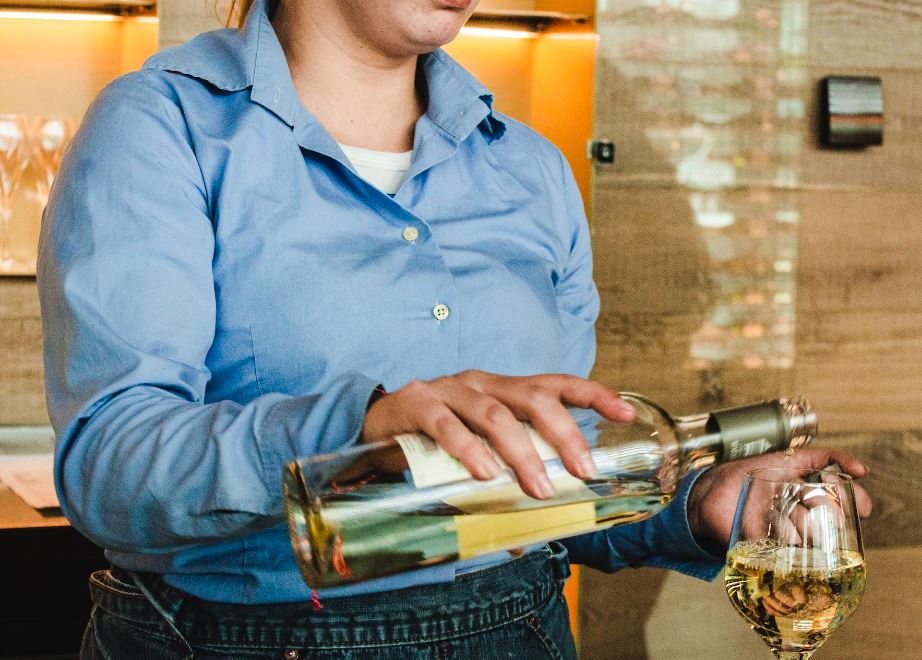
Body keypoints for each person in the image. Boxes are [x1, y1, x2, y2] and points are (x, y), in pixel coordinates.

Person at [37, 0, 871, 658]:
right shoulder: (162, 127)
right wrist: (362, 426)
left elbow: (546, 488)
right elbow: (109, 470)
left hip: (521, 632)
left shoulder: (532, 169)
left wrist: (695, 507)